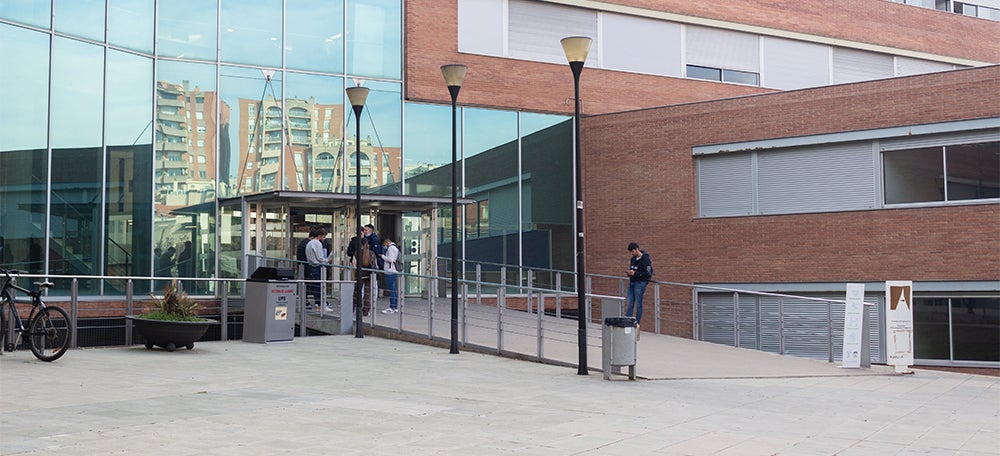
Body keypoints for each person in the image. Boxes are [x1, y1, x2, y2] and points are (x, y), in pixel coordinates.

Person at [625, 242, 652, 336]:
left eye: (632, 251)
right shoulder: (633, 259)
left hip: (640, 283)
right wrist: (629, 272)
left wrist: (635, 273)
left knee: (638, 304)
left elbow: (647, 274)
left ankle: (636, 323)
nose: (632, 253)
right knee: (630, 303)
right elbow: (632, 268)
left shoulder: (645, 259)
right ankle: (627, 322)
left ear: (637, 249)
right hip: (632, 282)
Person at [305, 227, 331, 310]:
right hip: (317, 266)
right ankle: (321, 305)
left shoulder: (310, 243)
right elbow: (320, 257)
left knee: (316, 286)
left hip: (311, 265)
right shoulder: (317, 243)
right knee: (320, 286)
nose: (324, 239)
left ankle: (318, 303)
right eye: (323, 237)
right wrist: (327, 260)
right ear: (319, 236)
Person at [379, 237, 400, 314]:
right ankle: (395, 307)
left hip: (390, 271)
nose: (384, 246)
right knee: (393, 290)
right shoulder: (395, 247)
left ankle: (392, 307)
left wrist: (382, 256)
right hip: (393, 270)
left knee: (391, 290)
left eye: (384, 244)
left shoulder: (391, 248)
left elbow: (391, 259)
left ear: (386, 242)